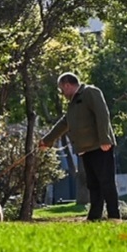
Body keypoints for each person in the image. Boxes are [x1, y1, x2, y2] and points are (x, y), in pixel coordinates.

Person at [39, 73, 120, 221]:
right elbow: (64, 123)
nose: (62, 94)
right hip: (85, 149)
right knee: (93, 185)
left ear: (67, 85)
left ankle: (114, 216)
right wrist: (47, 141)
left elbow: (103, 115)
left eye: (61, 90)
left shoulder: (90, 92)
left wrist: (105, 139)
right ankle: (94, 217)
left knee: (106, 182)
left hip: (101, 146)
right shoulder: (72, 104)